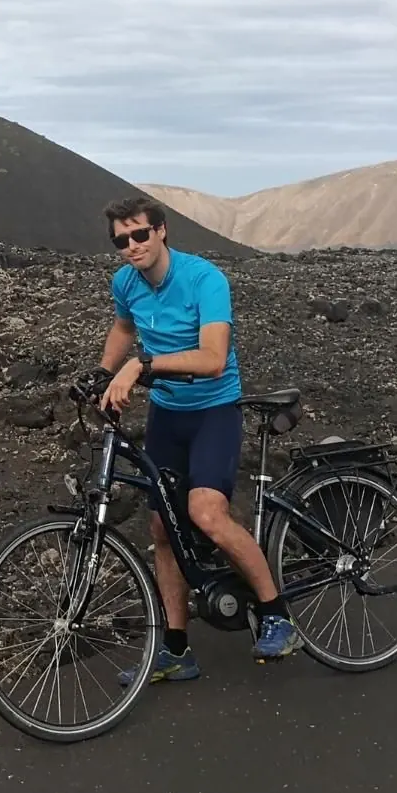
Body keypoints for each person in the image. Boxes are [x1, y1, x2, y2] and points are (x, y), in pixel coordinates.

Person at [95, 196, 301, 682]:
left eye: (139, 234)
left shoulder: (205, 279)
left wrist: (142, 365)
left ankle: (276, 616)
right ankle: (176, 649)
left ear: (162, 231)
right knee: (163, 532)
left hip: (213, 411)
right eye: (121, 240)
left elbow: (212, 357)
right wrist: (101, 374)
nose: (131, 246)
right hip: (168, 414)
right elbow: (124, 326)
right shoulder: (125, 283)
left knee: (205, 513)